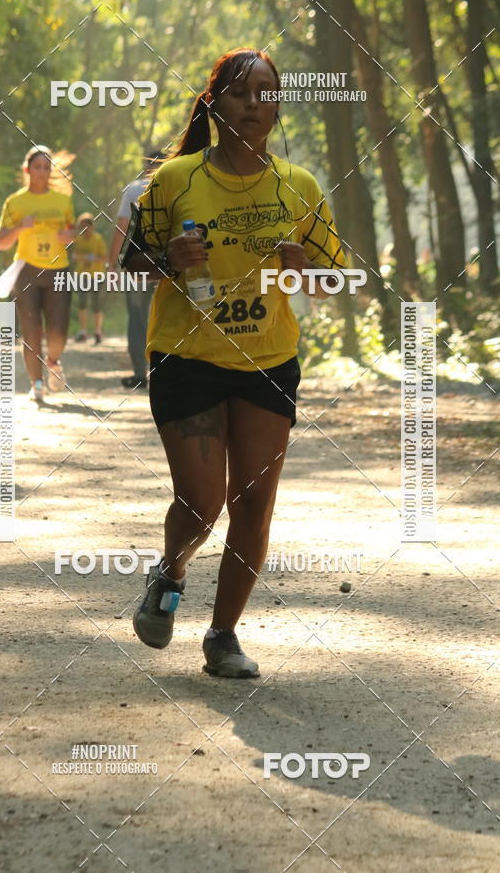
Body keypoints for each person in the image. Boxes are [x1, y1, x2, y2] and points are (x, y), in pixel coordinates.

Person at [125, 48, 346, 678]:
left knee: (253, 506)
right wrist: (169, 257)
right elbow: (131, 263)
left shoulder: (299, 186)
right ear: (214, 104)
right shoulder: (175, 180)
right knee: (201, 503)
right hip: (187, 356)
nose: (254, 103)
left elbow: (334, 280)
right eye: (241, 92)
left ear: (278, 107)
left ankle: (223, 637)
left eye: (267, 92)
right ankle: (170, 574)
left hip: (268, 361)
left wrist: (305, 270)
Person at [0, 145, 75, 402]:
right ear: (27, 170)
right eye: (37, 167)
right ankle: (36, 383)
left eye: (46, 168)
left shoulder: (63, 201)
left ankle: (53, 360)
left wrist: (68, 236)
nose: (42, 172)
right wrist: (20, 226)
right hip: (27, 270)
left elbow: (73, 232)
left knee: (58, 331)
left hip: (58, 269)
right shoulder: (14, 202)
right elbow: (0, 242)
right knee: (31, 330)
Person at [108, 148, 164, 388]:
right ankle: (164, 373)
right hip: (167, 262)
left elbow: (122, 228)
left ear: (145, 167)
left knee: (137, 318)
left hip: (137, 264)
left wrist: (112, 265)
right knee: (166, 316)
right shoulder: (173, 185)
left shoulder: (133, 189)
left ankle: (140, 373)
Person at [73, 212, 108, 345]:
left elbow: (104, 258)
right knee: (82, 303)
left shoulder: (98, 239)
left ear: (92, 226)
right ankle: (83, 332)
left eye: (88, 225)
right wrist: (78, 257)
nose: (85, 228)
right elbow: (74, 255)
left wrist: (93, 258)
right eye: (82, 226)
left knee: (96, 304)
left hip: (97, 275)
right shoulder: (78, 239)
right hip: (82, 275)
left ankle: (97, 331)